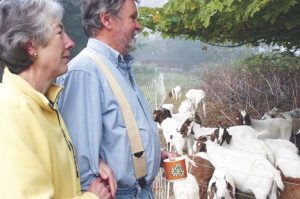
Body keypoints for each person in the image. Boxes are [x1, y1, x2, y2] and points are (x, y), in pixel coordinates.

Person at [57, 0, 175, 198]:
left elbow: (120, 135)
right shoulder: (85, 70)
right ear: (107, 20)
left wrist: (153, 156)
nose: (138, 26)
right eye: (132, 17)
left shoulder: (118, 66)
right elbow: (80, 162)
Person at [0, 0, 116, 198]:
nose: (70, 42)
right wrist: (92, 197)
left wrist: (94, 165)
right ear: (30, 46)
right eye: (59, 32)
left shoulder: (42, 105)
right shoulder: (12, 113)